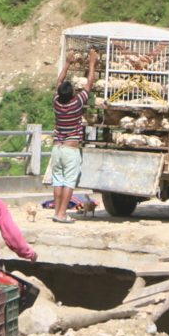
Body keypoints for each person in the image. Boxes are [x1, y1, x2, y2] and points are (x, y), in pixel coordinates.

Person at [48, 47, 97, 224]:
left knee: (58, 181)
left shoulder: (56, 103)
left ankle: (56, 212)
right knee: (69, 182)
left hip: (57, 148)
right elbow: (89, 84)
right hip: (70, 149)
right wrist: (92, 63)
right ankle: (62, 214)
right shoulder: (76, 104)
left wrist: (67, 64)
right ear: (72, 94)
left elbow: (58, 82)